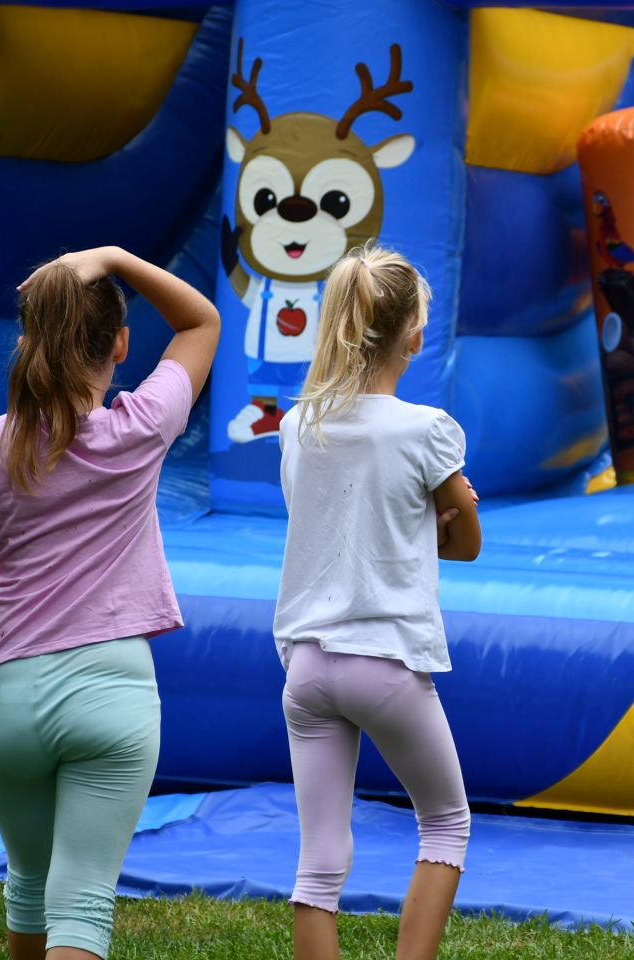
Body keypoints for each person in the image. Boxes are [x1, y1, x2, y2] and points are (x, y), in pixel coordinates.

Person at [0, 246, 220, 960]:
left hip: (10, 697)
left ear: (31, 342)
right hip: (114, 693)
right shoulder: (142, 427)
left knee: (30, 880)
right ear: (120, 344)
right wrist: (113, 257)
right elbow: (201, 322)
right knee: (81, 901)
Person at [274, 244, 478, 960]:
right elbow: (467, 543)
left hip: (305, 665)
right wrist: (453, 509)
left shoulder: (300, 425)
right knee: (446, 823)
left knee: (319, 862)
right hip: (382, 661)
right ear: (414, 336)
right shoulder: (426, 431)